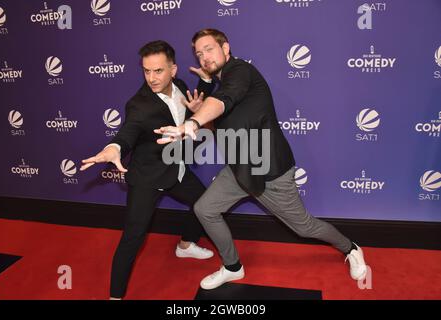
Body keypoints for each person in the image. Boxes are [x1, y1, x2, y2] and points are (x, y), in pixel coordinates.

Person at [155, 29, 368, 290]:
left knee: (303, 227)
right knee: (205, 209)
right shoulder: (222, 85)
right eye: (199, 53)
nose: (204, 57)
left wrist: (194, 121)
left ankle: (351, 248)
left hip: (271, 172)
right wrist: (204, 116)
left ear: (226, 48)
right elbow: (224, 123)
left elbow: (224, 99)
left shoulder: (240, 71)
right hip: (240, 168)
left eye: (209, 49)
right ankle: (233, 267)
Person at [80, 40, 215, 299]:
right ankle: (115, 296)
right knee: (133, 237)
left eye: (158, 71)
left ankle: (185, 245)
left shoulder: (181, 86)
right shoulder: (138, 105)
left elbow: (195, 106)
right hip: (146, 178)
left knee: (205, 203)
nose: (151, 78)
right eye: (146, 71)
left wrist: (207, 83)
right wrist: (115, 148)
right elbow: (128, 132)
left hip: (175, 169)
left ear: (173, 70)